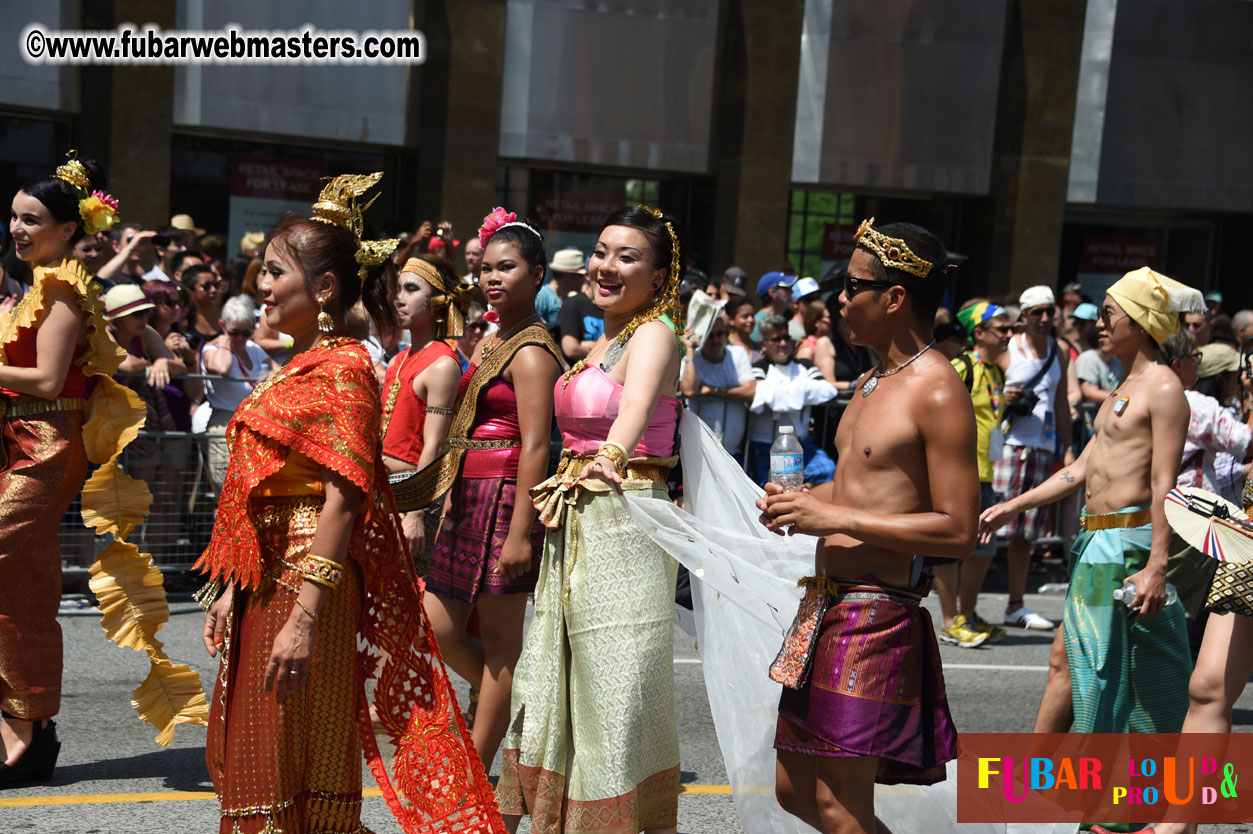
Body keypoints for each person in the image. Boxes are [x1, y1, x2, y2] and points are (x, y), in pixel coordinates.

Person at [196, 173, 502, 833]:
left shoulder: (344, 372)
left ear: (324, 289)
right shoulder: (297, 365)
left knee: (292, 746)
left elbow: (341, 499)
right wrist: (234, 584)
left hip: (311, 575)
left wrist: (304, 618)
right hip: (268, 573)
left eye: (275, 272)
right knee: (255, 742)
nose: (261, 285)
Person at [757, 218, 977, 834]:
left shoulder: (938, 390)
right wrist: (800, 500)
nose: (841, 300)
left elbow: (959, 529)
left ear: (895, 297)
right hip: (827, 607)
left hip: (876, 615)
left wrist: (835, 515)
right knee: (794, 791)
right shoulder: (871, 379)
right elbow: (860, 487)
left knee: (839, 804)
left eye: (853, 287)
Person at [1, 152, 204, 786]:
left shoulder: (62, 284)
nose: (17, 229)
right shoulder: (35, 284)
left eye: (31, 219)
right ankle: (25, 729)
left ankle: (25, 727)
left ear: (67, 230)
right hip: (17, 441)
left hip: (46, 444)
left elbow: (41, 377)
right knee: (22, 588)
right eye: (12, 217)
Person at [499, 205, 686, 834]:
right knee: (561, 683)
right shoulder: (606, 337)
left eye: (628, 257)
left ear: (659, 276)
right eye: (602, 251)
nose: (607, 266)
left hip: (626, 521)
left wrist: (608, 454)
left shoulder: (655, 332)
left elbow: (632, 411)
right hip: (577, 520)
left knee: (616, 690)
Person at [980, 269, 1197, 786]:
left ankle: (1080, 786)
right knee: (1073, 662)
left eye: (1109, 315)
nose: (1098, 324)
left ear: (1142, 323)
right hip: (1096, 540)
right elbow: (1080, 470)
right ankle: (1043, 777)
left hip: (1125, 544)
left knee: (1097, 669)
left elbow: (1166, 483)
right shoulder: (1125, 385)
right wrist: (1015, 505)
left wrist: (1157, 566)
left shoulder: (1164, 386)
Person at [421, 212, 563, 769]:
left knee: (503, 646)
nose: (492, 278)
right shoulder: (492, 339)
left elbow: (535, 447)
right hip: (469, 498)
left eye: (508, 268)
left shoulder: (531, 351)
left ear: (538, 275)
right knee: (437, 625)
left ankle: (476, 774)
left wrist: (522, 532)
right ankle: (518, 707)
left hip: (506, 501)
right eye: (486, 269)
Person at [992, 285, 1073, 631]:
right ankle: (960, 606)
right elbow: (983, 390)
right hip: (1003, 442)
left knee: (1025, 531)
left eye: (1049, 311)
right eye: (1037, 312)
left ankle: (1016, 605)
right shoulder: (1007, 347)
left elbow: (1061, 403)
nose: (1044, 318)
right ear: (1023, 316)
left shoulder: (1060, 350)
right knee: (985, 515)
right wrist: (1002, 396)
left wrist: (1067, 448)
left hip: (1040, 445)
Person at [935, 302, 1014, 648]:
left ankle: (968, 613)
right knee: (953, 550)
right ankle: (951, 620)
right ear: (979, 333)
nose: (1009, 334)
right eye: (1002, 328)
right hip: (958, 473)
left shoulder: (996, 372)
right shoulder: (959, 367)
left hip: (986, 473)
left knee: (984, 549)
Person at [381, 255, 465, 566]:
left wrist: (415, 513)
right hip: (382, 490)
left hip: (411, 494)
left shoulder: (443, 364)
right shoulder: (397, 361)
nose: (398, 298)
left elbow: (435, 444)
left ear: (438, 303)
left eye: (411, 289)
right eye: (398, 289)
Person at [746, 315, 837, 486]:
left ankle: (803, 490)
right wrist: (802, 389)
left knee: (827, 470)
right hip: (766, 445)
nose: (783, 343)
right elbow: (760, 392)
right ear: (764, 344)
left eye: (786, 337)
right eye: (776, 339)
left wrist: (782, 392)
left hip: (801, 443)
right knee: (767, 487)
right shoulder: (758, 367)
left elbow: (827, 390)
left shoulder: (804, 365)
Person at [200, 295, 276, 494]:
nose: (241, 338)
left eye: (246, 332)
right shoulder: (212, 349)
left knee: (252, 490)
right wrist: (225, 340)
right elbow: (222, 367)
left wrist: (268, 370)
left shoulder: (254, 348)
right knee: (228, 490)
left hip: (254, 423)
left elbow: (278, 372)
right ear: (222, 326)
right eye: (235, 332)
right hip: (224, 423)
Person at [680, 315, 755, 461]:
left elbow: (750, 391)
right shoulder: (691, 360)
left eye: (719, 334)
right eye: (709, 335)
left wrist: (713, 390)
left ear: (726, 334)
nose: (715, 340)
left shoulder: (738, 354)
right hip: (702, 453)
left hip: (733, 452)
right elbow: (688, 391)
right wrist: (689, 350)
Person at [556, 258, 604, 364]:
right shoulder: (573, 304)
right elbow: (571, 349)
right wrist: (602, 350)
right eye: (601, 273)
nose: (605, 278)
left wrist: (590, 346)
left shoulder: (614, 310)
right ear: (587, 276)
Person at [539, 247, 584, 331]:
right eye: (581, 276)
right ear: (569, 277)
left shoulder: (569, 299)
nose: (584, 279)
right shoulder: (542, 296)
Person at [182, 263, 225, 351]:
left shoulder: (227, 316)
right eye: (206, 286)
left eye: (216, 285)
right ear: (191, 291)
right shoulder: (183, 321)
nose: (213, 290)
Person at [751, 270, 796, 342]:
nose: (791, 291)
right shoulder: (757, 323)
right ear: (772, 293)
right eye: (786, 288)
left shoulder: (786, 318)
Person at [725, 294, 761, 363]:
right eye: (745, 316)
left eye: (752, 316)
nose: (751, 320)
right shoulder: (724, 348)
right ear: (731, 320)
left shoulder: (760, 348)